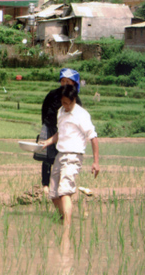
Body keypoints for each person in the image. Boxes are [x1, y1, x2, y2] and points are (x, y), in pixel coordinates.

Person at [40, 85, 99, 228]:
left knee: (65, 192)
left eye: (68, 103)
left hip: (73, 156)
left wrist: (96, 162)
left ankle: (66, 231)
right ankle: (63, 222)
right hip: (60, 155)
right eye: (63, 102)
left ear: (74, 100)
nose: (65, 106)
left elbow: (93, 137)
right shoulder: (61, 112)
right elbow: (61, 133)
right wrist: (48, 142)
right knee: (53, 194)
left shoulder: (82, 115)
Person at [39, 68, 82, 194]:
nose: (65, 84)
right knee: (47, 157)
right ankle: (45, 185)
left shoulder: (76, 100)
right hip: (50, 127)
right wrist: (46, 126)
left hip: (65, 132)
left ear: (74, 83)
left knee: (62, 157)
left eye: (68, 81)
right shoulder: (52, 94)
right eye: (63, 81)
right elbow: (44, 109)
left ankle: (61, 184)